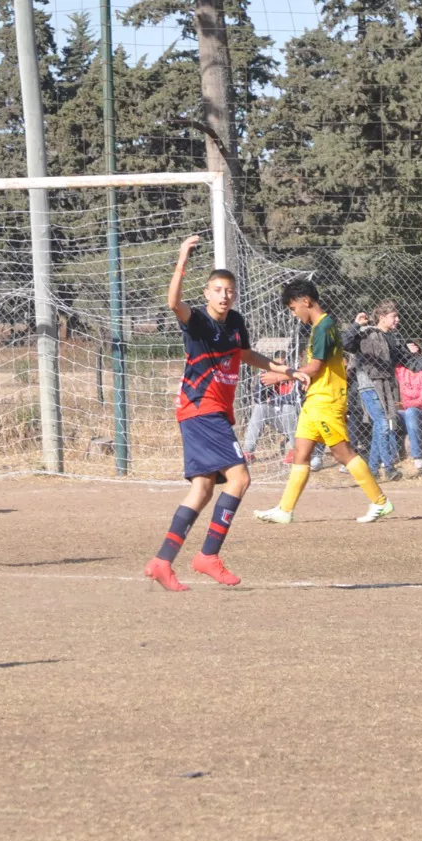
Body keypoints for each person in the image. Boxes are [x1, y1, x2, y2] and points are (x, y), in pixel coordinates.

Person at [144, 236, 306, 592]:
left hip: (207, 413)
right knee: (241, 479)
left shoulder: (235, 321)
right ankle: (208, 556)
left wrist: (286, 370)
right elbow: (173, 302)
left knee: (202, 489)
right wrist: (182, 257)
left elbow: (246, 355)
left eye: (229, 290)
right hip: (202, 408)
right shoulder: (198, 320)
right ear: (206, 293)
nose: (224, 295)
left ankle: (162, 561)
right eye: (217, 289)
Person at [254, 278, 394, 525]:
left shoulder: (324, 326)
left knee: (342, 453)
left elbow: (316, 366)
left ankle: (381, 502)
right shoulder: (321, 326)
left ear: (305, 301)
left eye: (293, 308)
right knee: (301, 453)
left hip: (327, 401)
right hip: (315, 399)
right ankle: (285, 510)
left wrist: (281, 374)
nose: (294, 314)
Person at [343, 301, 407, 481]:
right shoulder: (365, 332)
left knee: (383, 426)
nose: (397, 320)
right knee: (383, 424)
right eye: (394, 317)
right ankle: (389, 468)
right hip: (369, 385)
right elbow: (345, 343)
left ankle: (371, 470)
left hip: (386, 386)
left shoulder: (393, 338)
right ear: (382, 317)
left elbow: (404, 360)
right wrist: (356, 324)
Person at [241, 348, 297, 464]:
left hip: (299, 423)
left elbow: (293, 399)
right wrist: (263, 383)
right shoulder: (271, 377)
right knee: (261, 407)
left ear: (289, 365)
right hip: (281, 421)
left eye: (283, 365)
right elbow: (257, 398)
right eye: (277, 365)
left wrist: (273, 399)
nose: (280, 369)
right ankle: (248, 452)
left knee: (287, 407)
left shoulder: (297, 377)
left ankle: (296, 450)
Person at [396, 341, 422, 474]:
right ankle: (389, 457)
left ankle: (417, 456)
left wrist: (406, 405)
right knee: (389, 416)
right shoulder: (400, 370)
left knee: (411, 412)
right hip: (406, 412)